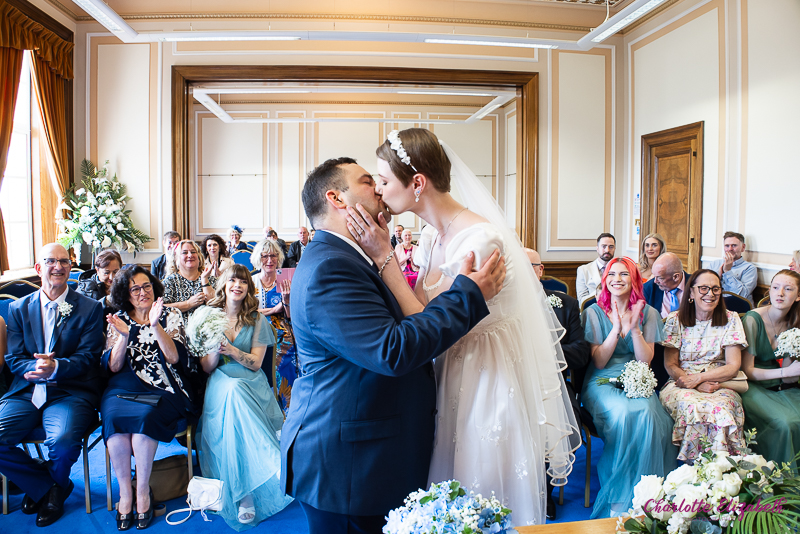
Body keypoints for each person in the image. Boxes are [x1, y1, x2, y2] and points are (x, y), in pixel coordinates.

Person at [350, 128, 578, 527]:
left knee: (480, 496)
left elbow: (429, 320)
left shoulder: (480, 240)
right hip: (447, 369)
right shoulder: (430, 237)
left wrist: (385, 256)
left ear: (417, 183)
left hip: (485, 380)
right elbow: (420, 311)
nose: (380, 191)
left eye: (384, 181)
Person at [282, 156, 506, 534]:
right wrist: (468, 295)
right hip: (348, 466)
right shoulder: (329, 268)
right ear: (337, 199)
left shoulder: (351, 258)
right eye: (369, 181)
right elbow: (392, 350)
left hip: (365, 451)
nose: (381, 188)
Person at [0, 244, 105, 527]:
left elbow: (89, 358)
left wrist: (56, 366)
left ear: (70, 269)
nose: (57, 267)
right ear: (38, 269)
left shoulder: (90, 309)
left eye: (64, 262)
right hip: (27, 390)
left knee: (61, 441)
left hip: (69, 391)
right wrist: (32, 369)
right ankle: (49, 487)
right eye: (50, 261)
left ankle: (47, 488)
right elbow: (13, 356)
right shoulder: (18, 308)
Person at [103, 266, 198, 530]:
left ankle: (142, 491)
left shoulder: (170, 314)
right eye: (135, 288)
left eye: (147, 286)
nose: (143, 292)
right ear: (126, 293)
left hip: (162, 385)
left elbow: (174, 358)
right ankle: (125, 493)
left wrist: (154, 325)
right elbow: (113, 366)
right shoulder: (119, 318)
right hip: (122, 386)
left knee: (145, 418)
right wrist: (123, 336)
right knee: (114, 419)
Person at [198, 265, 293, 530]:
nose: (237, 285)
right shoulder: (210, 317)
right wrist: (217, 349)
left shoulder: (257, 319)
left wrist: (231, 349)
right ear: (224, 285)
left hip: (251, 382)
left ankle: (245, 497)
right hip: (220, 382)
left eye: (243, 281)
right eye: (233, 280)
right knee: (232, 391)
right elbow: (206, 367)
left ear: (248, 288)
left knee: (238, 399)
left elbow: (255, 363)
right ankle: (272, 461)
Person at [580, 256, 676, 518]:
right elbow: (599, 361)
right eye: (611, 275)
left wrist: (634, 329)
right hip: (601, 380)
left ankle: (647, 496)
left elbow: (645, 360)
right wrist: (615, 329)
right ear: (605, 280)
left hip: (638, 376)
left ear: (634, 280)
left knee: (649, 416)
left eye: (624, 274)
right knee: (623, 415)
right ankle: (619, 496)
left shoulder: (650, 314)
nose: (617, 280)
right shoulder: (593, 312)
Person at [526, 248, 590, 520]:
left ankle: (546, 494)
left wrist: (546, 352)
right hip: (516, 384)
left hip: (555, 385)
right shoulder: (498, 304)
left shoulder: (565, 304)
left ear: (541, 270)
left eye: (531, 266)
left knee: (554, 422)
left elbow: (581, 352)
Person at [659, 269, 747, 461]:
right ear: (691, 292)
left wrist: (700, 378)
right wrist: (695, 384)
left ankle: (723, 469)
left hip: (720, 384)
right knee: (695, 409)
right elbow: (671, 364)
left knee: (722, 410)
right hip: (680, 383)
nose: (710, 294)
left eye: (715, 289)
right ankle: (694, 472)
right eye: (704, 288)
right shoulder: (676, 320)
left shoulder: (731, 319)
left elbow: (733, 366)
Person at [740, 270, 800, 467]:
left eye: (788, 289)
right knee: (786, 423)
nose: (780, 293)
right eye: (775, 287)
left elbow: (790, 377)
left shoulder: (795, 322)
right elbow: (747, 370)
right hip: (753, 385)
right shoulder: (752, 319)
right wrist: (785, 373)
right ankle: (781, 480)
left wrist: (791, 367)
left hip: (783, 385)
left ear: (798, 296)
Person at [251, 239, 297, 414]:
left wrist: (285, 301)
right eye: (265, 256)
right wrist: (273, 310)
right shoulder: (250, 281)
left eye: (273, 255)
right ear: (258, 258)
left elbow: (290, 315)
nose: (269, 260)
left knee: (288, 347)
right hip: (255, 328)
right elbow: (247, 312)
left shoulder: (285, 280)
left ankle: (287, 407)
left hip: (281, 329)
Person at [642, 252, 690, 388]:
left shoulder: (695, 285)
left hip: (691, 346)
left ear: (676, 277)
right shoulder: (649, 288)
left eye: (660, 278)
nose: (655, 281)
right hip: (660, 348)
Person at [163, 240, 217, 320]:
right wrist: (188, 304)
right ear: (176, 258)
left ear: (199, 257)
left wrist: (204, 280)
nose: (190, 255)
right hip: (179, 330)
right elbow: (161, 308)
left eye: (193, 252)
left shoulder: (210, 279)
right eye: (184, 252)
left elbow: (216, 305)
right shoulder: (170, 282)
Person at [709, 231, 758, 304]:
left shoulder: (749, 268)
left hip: (738, 308)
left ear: (743, 247)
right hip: (716, 306)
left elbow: (742, 295)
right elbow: (704, 288)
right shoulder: (714, 264)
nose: (730, 249)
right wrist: (718, 276)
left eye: (734, 245)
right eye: (727, 246)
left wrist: (727, 272)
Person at [577, 233, 616, 305]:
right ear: (597, 248)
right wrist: (601, 292)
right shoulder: (583, 270)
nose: (607, 250)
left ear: (614, 249)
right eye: (604, 246)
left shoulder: (619, 269)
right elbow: (581, 301)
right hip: (592, 309)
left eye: (611, 247)